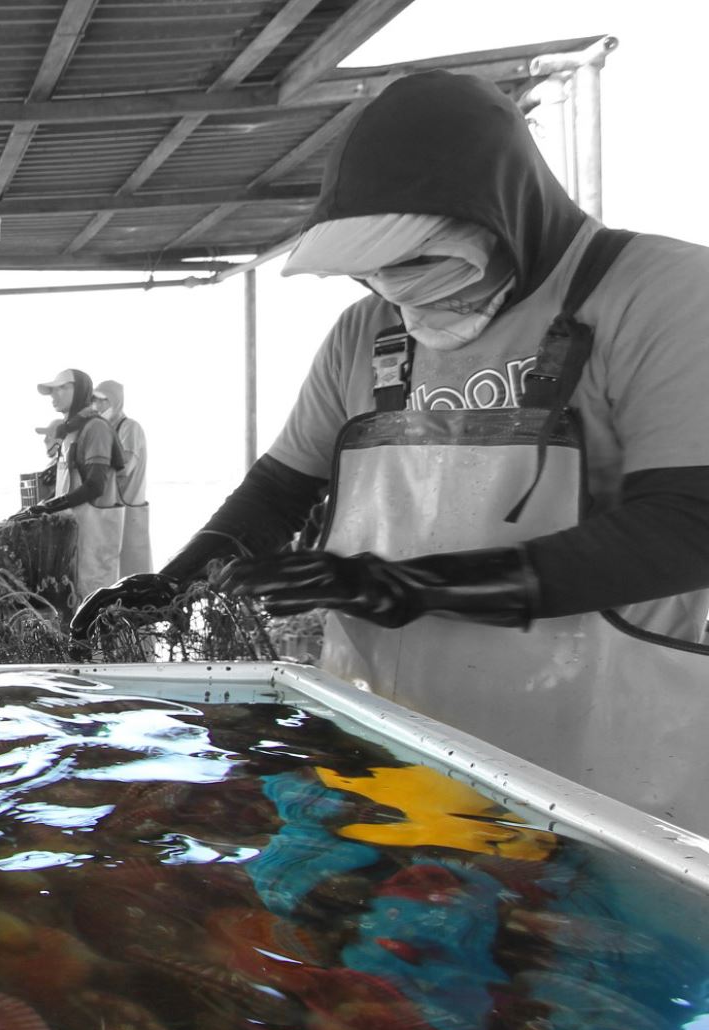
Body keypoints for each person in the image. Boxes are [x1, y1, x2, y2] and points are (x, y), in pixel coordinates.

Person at [79, 71, 709, 828]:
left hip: (604, 772)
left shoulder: (665, 294)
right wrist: (174, 582)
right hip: (384, 743)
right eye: (376, 276)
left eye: (424, 267)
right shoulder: (365, 333)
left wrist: (405, 585)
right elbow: (280, 490)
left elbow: (688, 524)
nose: (402, 298)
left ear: (512, 214)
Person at [18, 368, 126, 595]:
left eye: (62, 388)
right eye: (52, 391)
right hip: (72, 534)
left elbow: (95, 486)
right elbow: (68, 483)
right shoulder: (70, 432)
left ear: (81, 391)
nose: (54, 396)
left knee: (95, 599)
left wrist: (49, 506)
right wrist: (40, 505)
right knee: (71, 597)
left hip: (95, 536)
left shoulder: (96, 428)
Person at [92, 380, 152, 576]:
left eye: (104, 400)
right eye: (95, 400)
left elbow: (125, 467)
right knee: (112, 573)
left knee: (134, 573)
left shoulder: (129, 427)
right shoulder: (104, 429)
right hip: (112, 512)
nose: (98, 405)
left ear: (116, 401)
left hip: (129, 508)